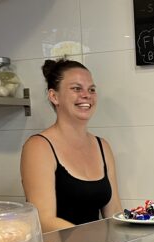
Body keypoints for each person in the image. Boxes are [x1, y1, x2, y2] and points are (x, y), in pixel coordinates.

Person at [20, 59, 122, 232]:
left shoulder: (102, 146)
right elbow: (44, 220)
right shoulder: (39, 147)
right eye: (76, 88)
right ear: (54, 96)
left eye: (91, 89)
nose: (86, 95)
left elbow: (114, 212)